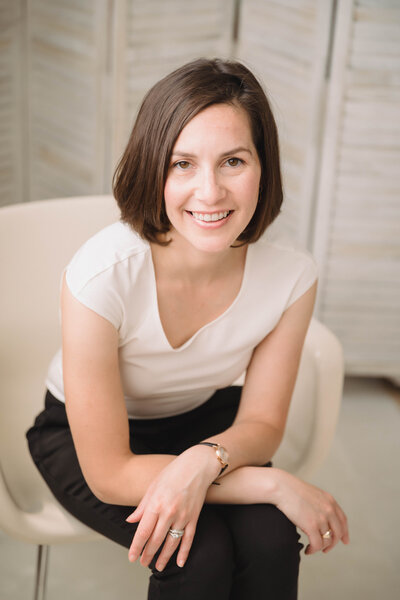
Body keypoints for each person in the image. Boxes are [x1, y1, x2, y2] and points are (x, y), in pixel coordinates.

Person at [27, 57, 349, 599]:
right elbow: (108, 471)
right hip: (88, 439)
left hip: (208, 425)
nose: (210, 192)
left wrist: (202, 461)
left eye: (233, 161)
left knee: (271, 541)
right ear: (153, 167)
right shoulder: (101, 274)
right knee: (197, 554)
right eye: (182, 163)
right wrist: (271, 481)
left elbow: (264, 423)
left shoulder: (292, 274)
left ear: (264, 166)